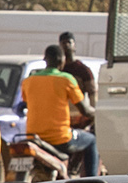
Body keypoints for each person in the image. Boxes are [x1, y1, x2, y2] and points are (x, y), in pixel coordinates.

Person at [20, 41, 92, 172]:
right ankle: (92, 180)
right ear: (62, 60)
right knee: (91, 140)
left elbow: (26, 102)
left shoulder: (28, 81)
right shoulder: (66, 79)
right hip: (60, 138)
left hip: (33, 137)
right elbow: (85, 110)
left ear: (45, 60)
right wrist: (97, 113)